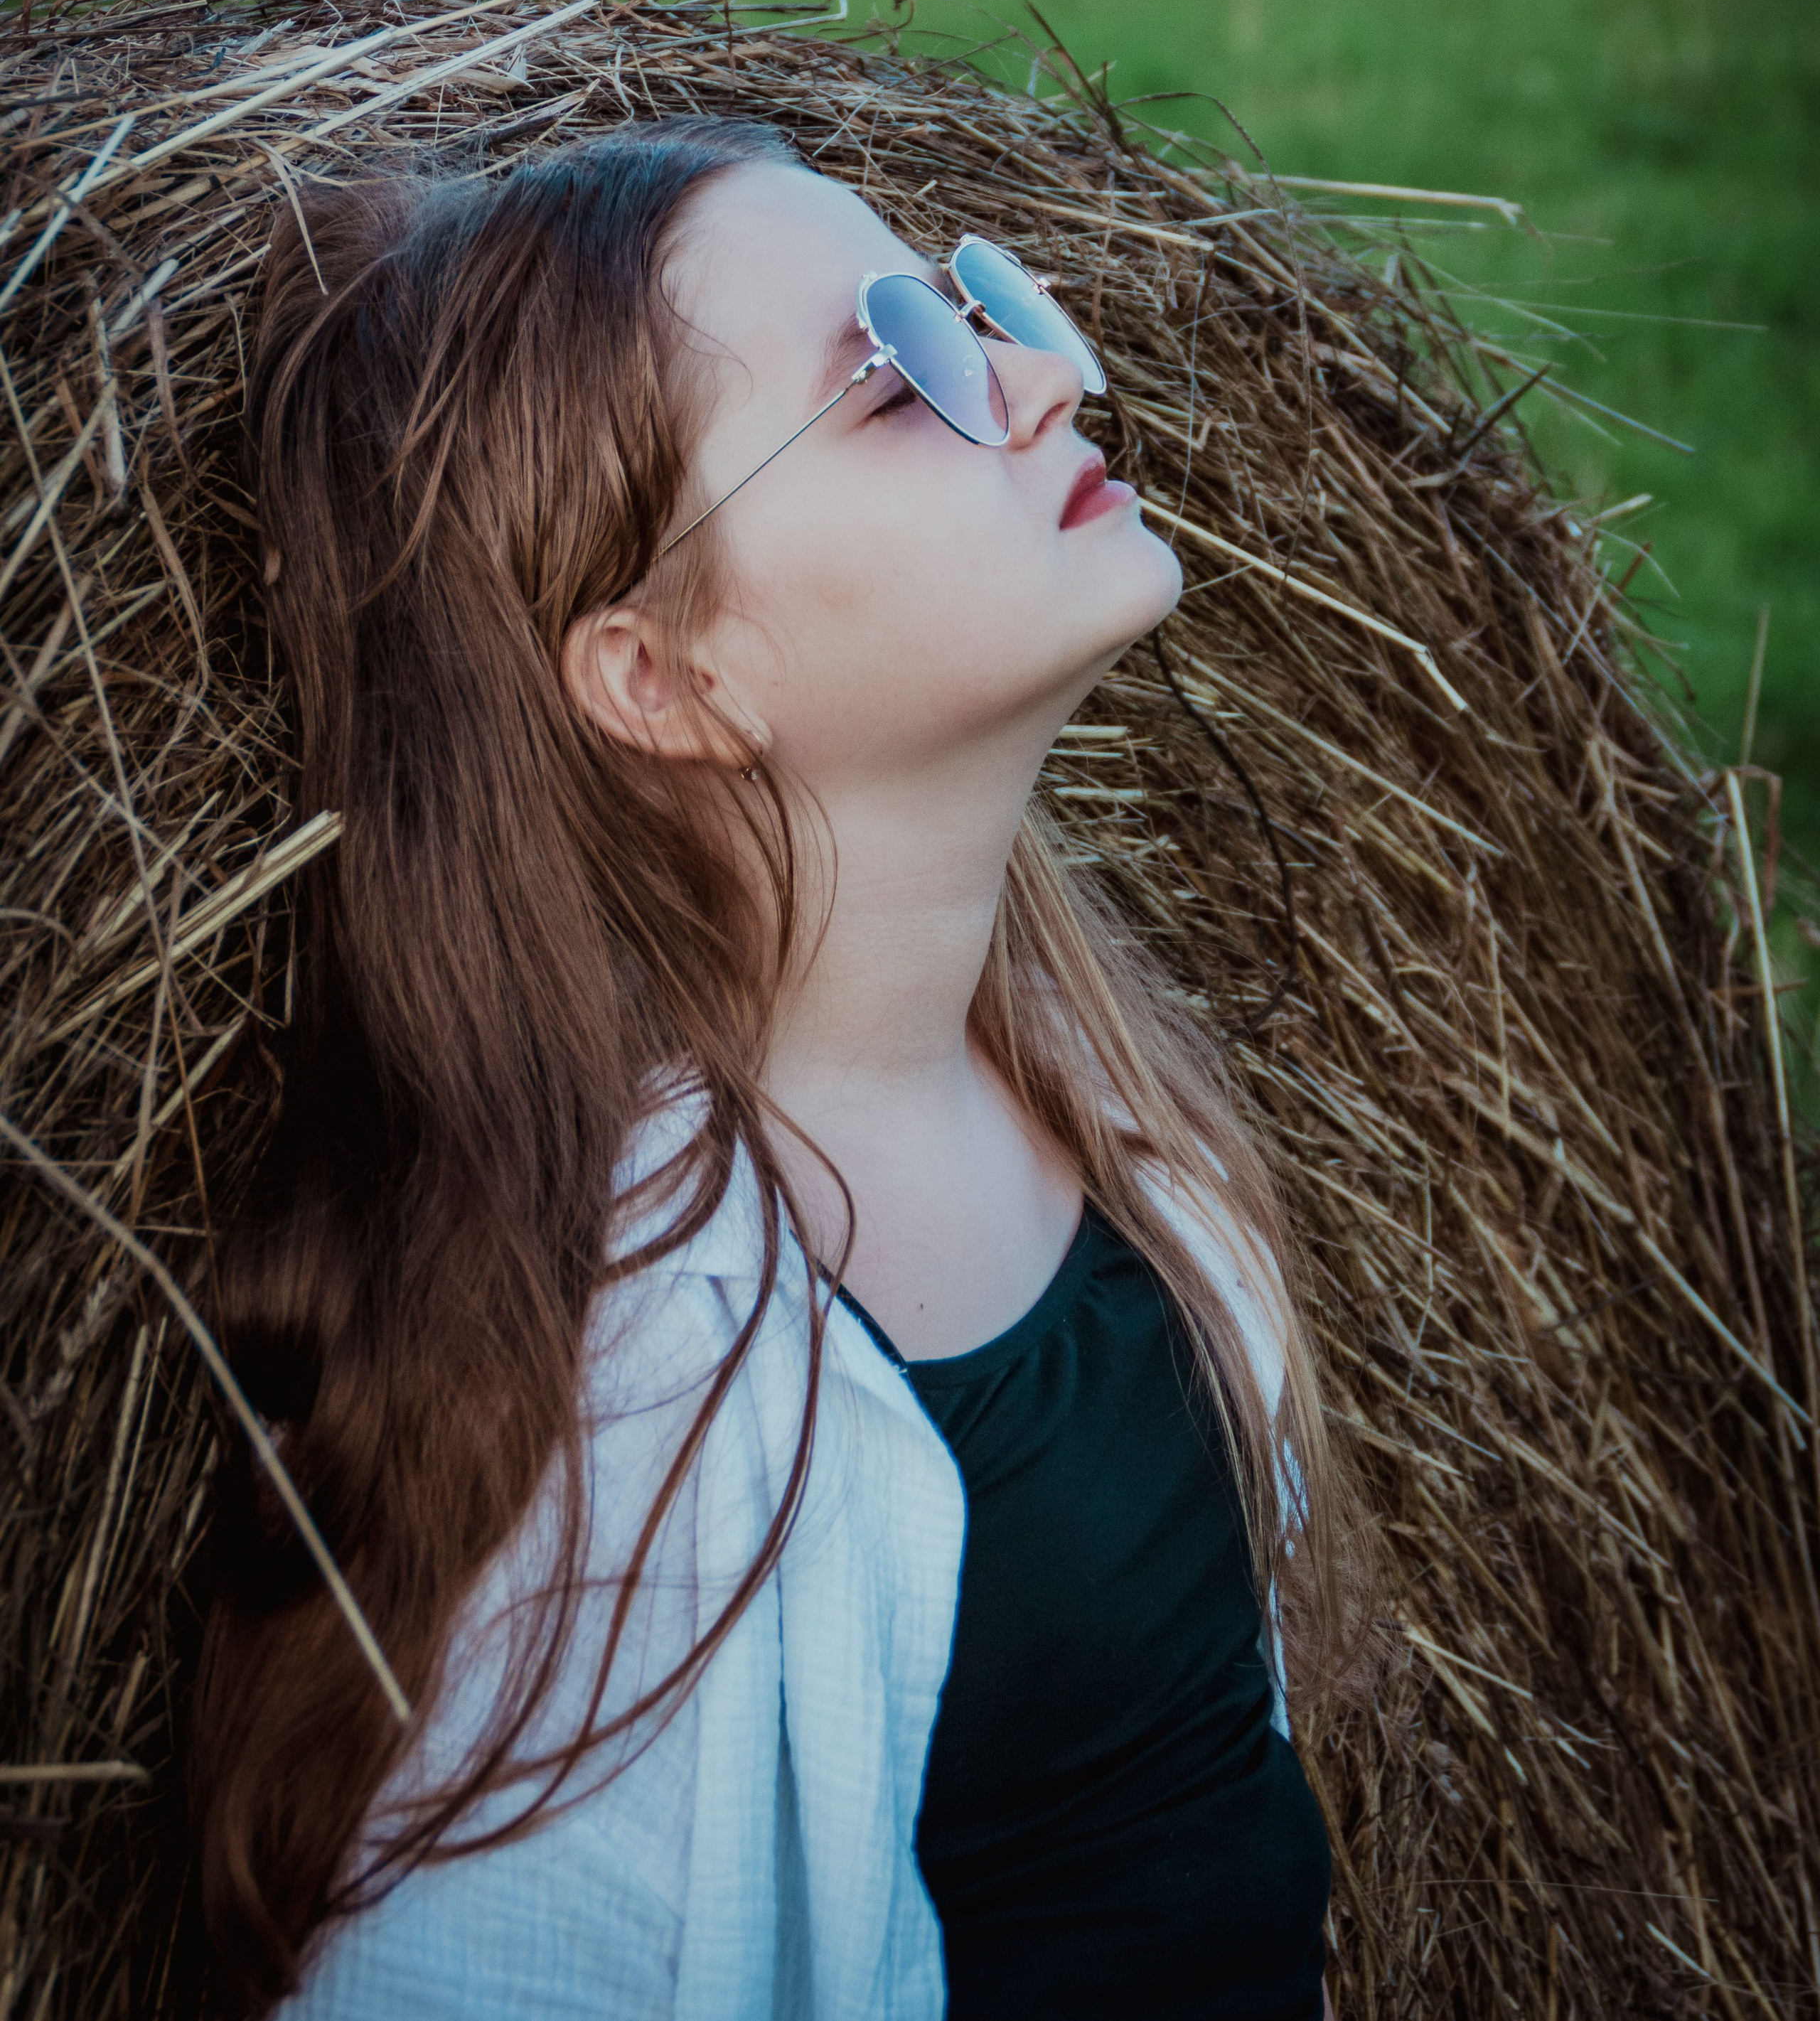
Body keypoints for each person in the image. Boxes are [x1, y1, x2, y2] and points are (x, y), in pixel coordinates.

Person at [191, 119, 1364, 2020]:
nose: (1053, 369)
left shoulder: (1092, 1083)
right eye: (901, 369)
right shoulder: (639, 1432)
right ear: (665, 675)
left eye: (977, 299)